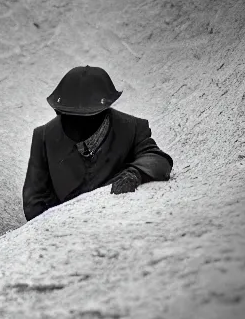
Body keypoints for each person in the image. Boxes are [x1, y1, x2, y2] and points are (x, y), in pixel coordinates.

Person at [22, 65, 173, 221]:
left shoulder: (132, 128)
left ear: (104, 110)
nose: (75, 123)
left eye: (85, 116)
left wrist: (134, 173)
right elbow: (34, 201)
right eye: (67, 114)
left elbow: (157, 159)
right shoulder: (43, 136)